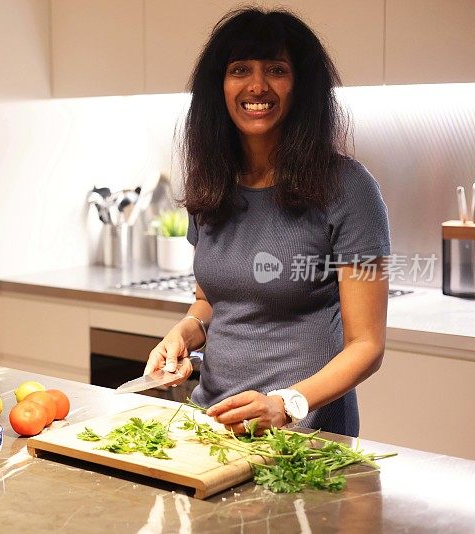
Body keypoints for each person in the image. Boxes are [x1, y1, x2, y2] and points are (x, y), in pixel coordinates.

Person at [144, 7, 390, 436]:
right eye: (240, 69)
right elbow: (210, 300)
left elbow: (368, 345)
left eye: (276, 69)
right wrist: (186, 330)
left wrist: (287, 404)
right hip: (214, 425)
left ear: (302, 87)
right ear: (218, 87)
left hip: (307, 435)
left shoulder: (352, 188)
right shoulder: (211, 186)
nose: (257, 85)